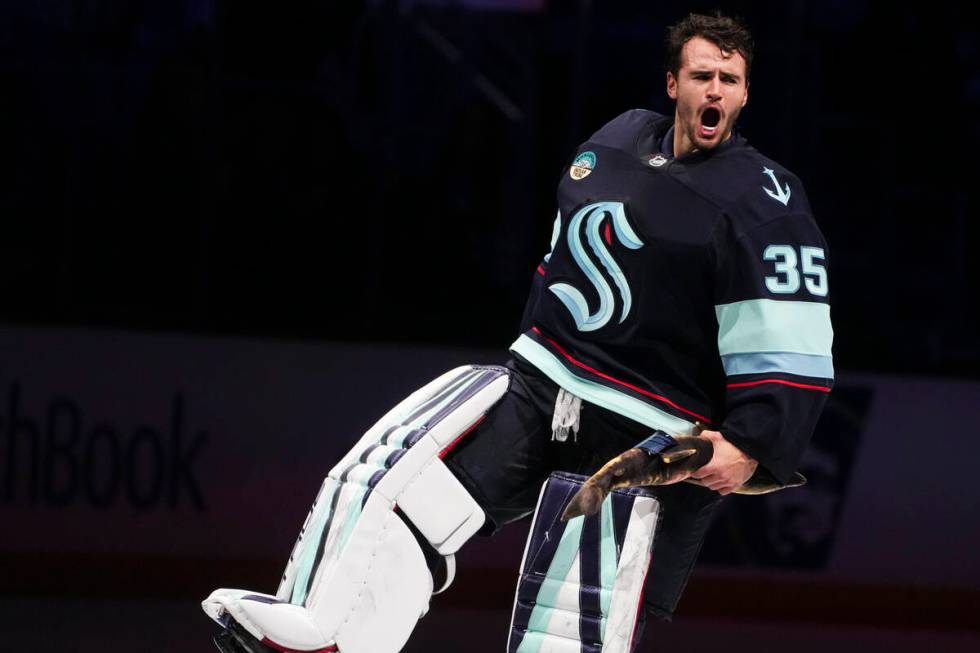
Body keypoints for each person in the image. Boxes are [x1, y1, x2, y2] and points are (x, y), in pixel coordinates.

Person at [202, 11, 834, 653]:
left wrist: (753, 443)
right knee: (406, 506)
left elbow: (794, 336)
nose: (716, 90)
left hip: (642, 431)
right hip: (542, 388)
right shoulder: (616, 139)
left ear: (746, 92)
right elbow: (561, 258)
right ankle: (329, 640)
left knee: (565, 629)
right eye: (703, 75)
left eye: (731, 78)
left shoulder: (766, 200)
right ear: (673, 83)